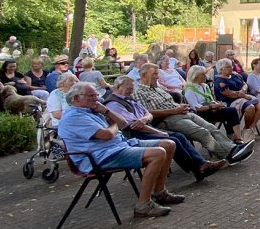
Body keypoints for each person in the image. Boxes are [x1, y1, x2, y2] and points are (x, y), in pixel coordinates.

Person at [58, 82, 181, 218]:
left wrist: (107, 111)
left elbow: (123, 123)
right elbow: (107, 135)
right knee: (158, 153)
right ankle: (143, 205)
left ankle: (160, 192)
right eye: (91, 96)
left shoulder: (93, 111)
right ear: (76, 98)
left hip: (119, 146)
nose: (96, 99)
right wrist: (114, 125)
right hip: (100, 156)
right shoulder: (74, 117)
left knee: (169, 144)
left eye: (96, 95)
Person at [105, 76, 227, 182]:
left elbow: (148, 114)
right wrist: (157, 131)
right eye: (129, 89)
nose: (131, 91)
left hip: (146, 128)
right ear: (118, 87)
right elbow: (134, 126)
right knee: (172, 139)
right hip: (134, 135)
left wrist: (145, 118)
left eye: (132, 89)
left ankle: (200, 166)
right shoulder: (114, 104)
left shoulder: (128, 98)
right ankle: (199, 168)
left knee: (178, 136)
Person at [133, 63, 255, 164]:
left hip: (182, 113)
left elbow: (171, 102)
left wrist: (180, 107)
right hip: (167, 120)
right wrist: (175, 110)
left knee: (211, 128)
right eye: (154, 74)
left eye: (157, 74)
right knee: (203, 132)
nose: (157, 77)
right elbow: (148, 113)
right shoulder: (139, 92)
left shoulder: (159, 88)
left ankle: (234, 148)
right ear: (144, 75)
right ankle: (230, 155)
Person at [183, 65, 244, 140]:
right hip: (201, 114)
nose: (206, 76)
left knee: (231, 111)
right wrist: (213, 106)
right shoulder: (190, 90)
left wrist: (217, 104)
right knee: (230, 111)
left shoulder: (204, 86)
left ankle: (236, 138)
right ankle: (234, 139)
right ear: (195, 76)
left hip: (211, 109)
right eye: (203, 74)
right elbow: (196, 108)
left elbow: (210, 100)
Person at [214, 58, 260, 142]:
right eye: (228, 67)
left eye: (231, 66)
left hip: (242, 97)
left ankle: (248, 128)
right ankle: (247, 131)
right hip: (230, 101)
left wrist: (243, 90)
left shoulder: (235, 75)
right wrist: (243, 95)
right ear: (221, 69)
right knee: (250, 108)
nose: (231, 68)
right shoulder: (220, 81)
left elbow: (245, 84)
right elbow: (229, 94)